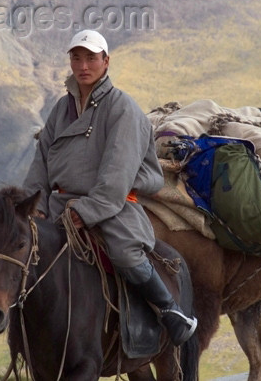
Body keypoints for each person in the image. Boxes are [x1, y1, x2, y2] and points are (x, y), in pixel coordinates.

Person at [23, 29, 197, 346]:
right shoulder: (61, 109)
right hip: (60, 204)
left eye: (91, 58)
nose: (83, 65)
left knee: (124, 252)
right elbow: (42, 161)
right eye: (77, 57)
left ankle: (171, 312)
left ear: (106, 61)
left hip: (110, 204)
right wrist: (32, 205)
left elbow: (116, 176)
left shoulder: (122, 109)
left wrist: (86, 211)